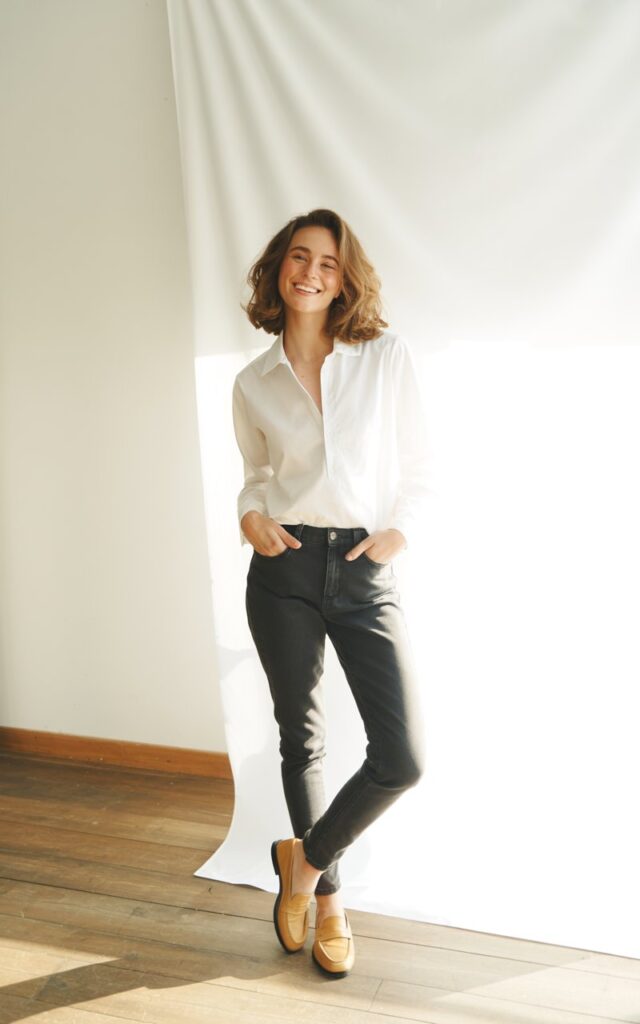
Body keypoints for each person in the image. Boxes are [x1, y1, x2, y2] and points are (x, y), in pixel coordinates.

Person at [231, 208, 431, 978]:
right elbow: (256, 473)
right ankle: (331, 907)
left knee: (402, 757)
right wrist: (249, 515)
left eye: (328, 262)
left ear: (346, 278)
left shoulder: (383, 356)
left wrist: (397, 534)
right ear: (277, 269)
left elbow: (423, 464)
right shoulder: (252, 381)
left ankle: (304, 865)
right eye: (298, 256)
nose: (310, 271)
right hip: (281, 569)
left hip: (363, 565)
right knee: (301, 740)